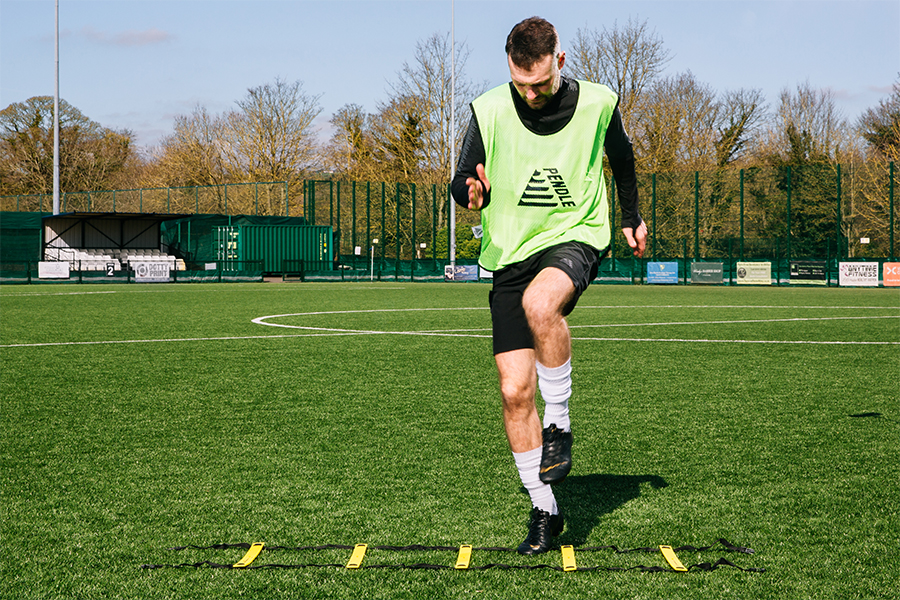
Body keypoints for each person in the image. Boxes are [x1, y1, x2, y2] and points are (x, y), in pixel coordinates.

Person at [451, 16, 647, 555]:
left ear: (560, 60)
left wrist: (630, 216)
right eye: (521, 83)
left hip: (573, 234)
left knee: (544, 304)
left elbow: (623, 159)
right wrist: (470, 189)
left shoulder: (600, 103)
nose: (530, 93)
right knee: (514, 392)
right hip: (509, 253)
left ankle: (559, 424)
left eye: (539, 82)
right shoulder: (488, 108)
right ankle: (544, 509)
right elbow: (464, 175)